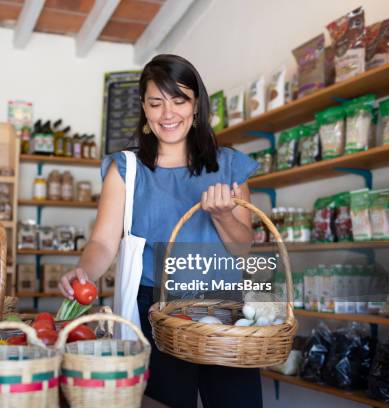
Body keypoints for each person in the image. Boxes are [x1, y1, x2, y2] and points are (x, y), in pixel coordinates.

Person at [58, 54, 262, 408]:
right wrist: (84, 274)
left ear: (196, 104)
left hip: (228, 312)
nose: (168, 114)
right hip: (154, 311)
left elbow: (244, 250)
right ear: (144, 108)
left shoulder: (229, 165)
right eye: (156, 102)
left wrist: (224, 217)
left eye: (179, 100)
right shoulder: (126, 169)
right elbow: (103, 242)